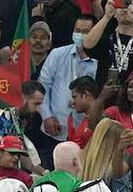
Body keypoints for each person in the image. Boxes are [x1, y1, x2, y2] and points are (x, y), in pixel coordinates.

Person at [39, 15, 98, 146]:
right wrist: (46, 116)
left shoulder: (101, 61)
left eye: (85, 32)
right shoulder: (57, 54)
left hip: (87, 134)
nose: (80, 35)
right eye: (77, 30)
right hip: (54, 129)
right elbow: (43, 86)